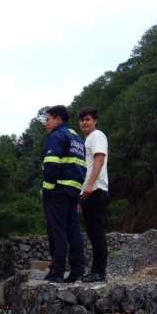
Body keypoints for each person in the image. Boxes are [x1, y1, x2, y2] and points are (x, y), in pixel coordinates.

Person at [41, 105, 86, 283]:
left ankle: (57, 271)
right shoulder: (77, 138)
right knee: (73, 231)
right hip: (73, 191)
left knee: (57, 231)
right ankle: (77, 270)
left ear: (58, 119)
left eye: (48, 119)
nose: (46, 124)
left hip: (57, 191)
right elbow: (82, 165)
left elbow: (51, 164)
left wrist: (47, 189)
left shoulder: (56, 136)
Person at [78, 107, 109, 282]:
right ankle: (96, 270)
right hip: (89, 191)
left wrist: (89, 186)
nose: (84, 122)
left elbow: (99, 160)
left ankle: (99, 271)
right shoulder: (87, 139)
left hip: (95, 189)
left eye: (88, 119)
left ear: (95, 121)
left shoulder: (97, 136)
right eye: (82, 120)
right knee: (92, 232)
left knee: (96, 232)